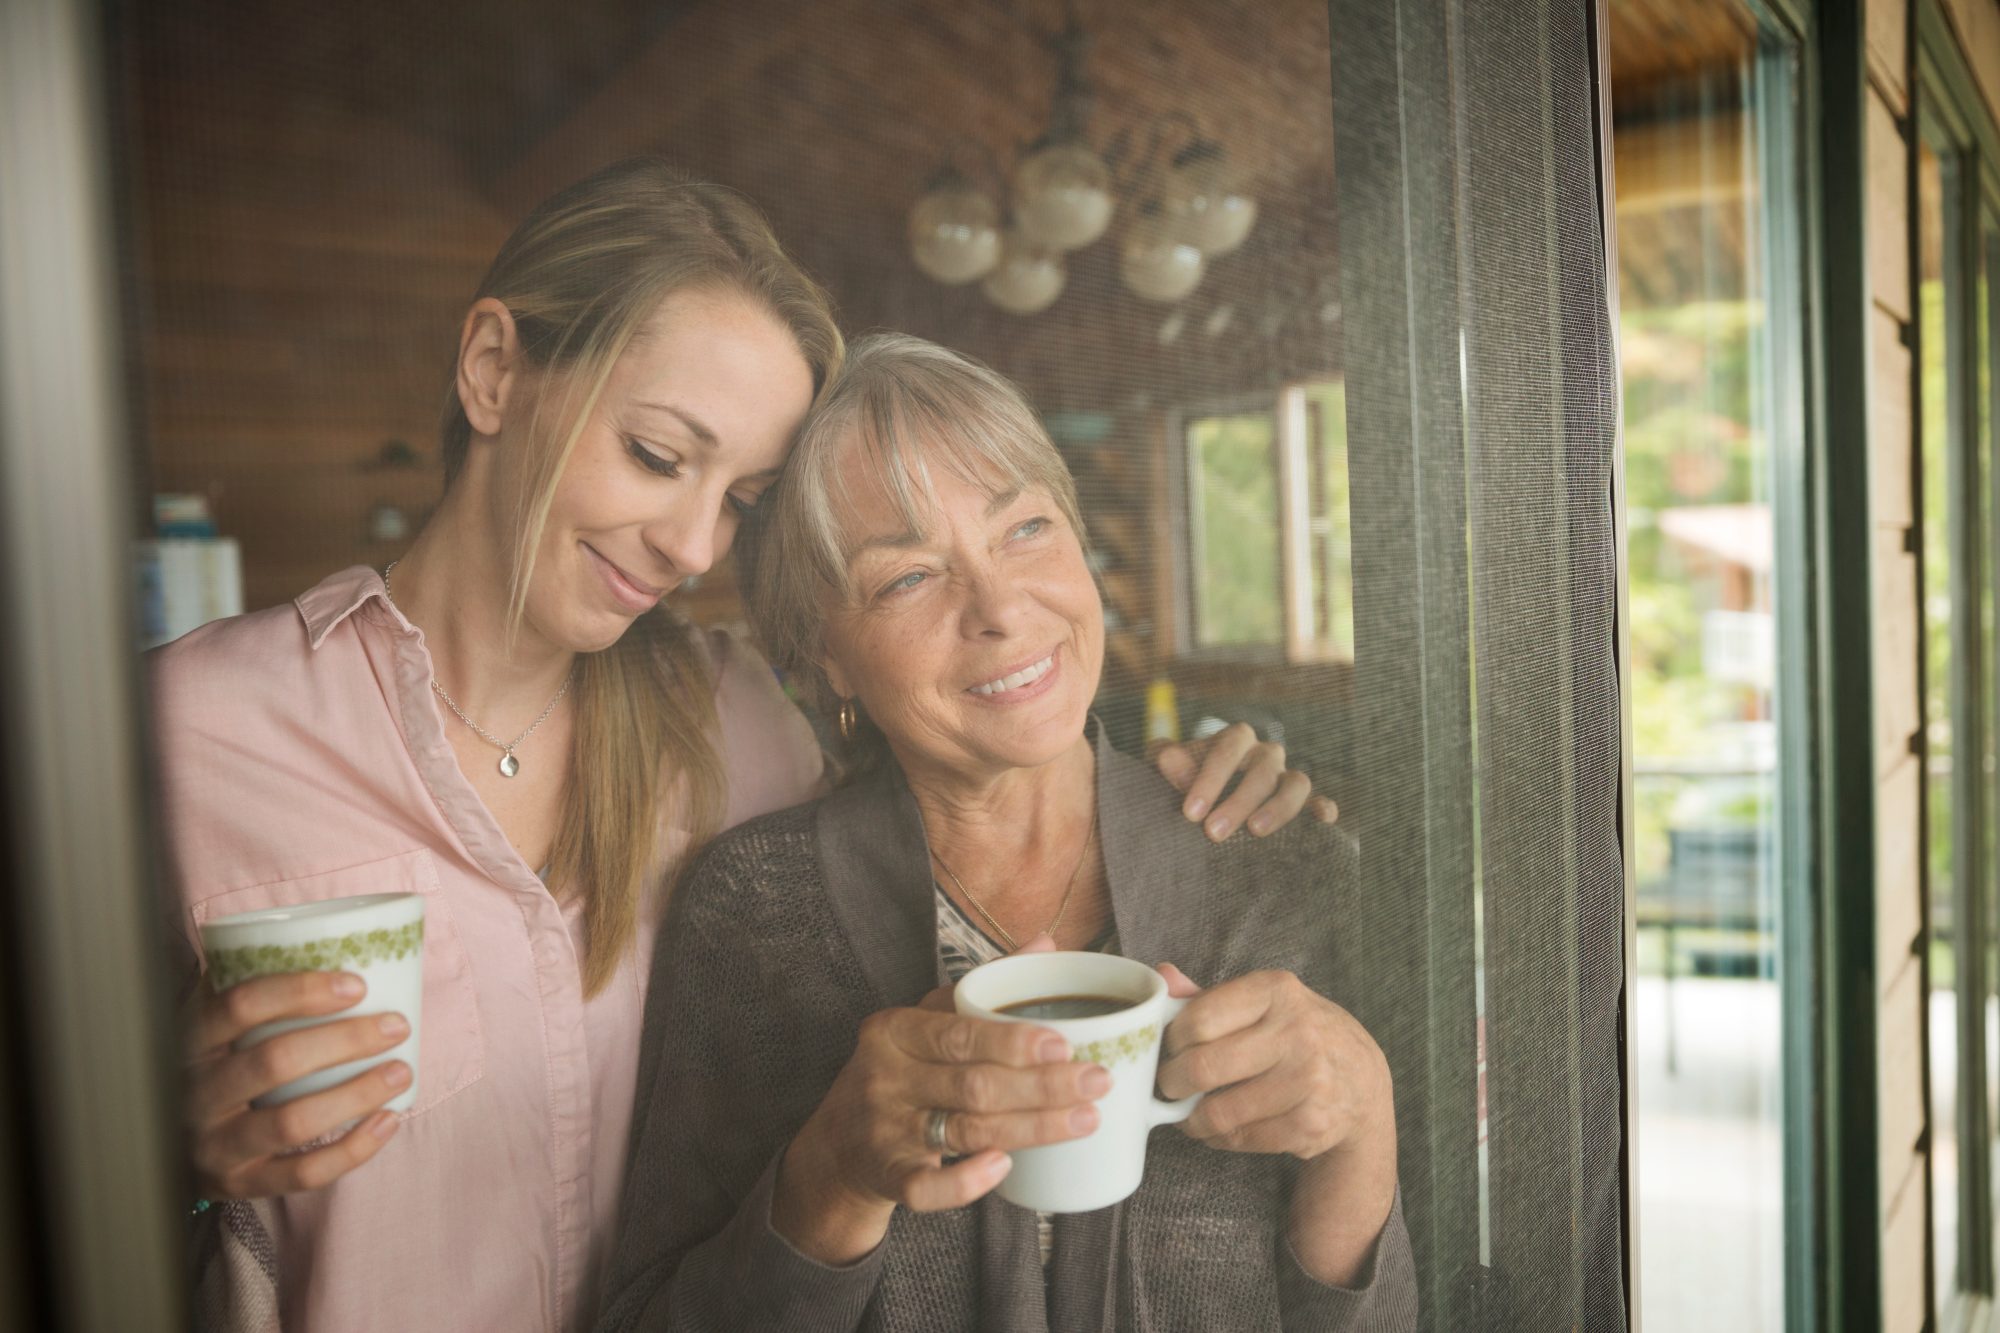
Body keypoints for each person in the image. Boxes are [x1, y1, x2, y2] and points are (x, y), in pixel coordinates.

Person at [155, 162, 1327, 1333]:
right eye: (660, 456)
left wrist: (1168, 800)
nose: (688, 546)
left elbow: (954, 751)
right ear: (493, 368)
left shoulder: (738, 729)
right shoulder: (189, 735)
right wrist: (167, 1160)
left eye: (739, 500)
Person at [600, 334, 1416, 1331]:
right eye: (906, 577)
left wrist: (1358, 1124)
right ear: (826, 657)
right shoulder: (752, 906)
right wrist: (828, 1176)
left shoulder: (1280, 867)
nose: (998, 607)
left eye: (1024, 528)